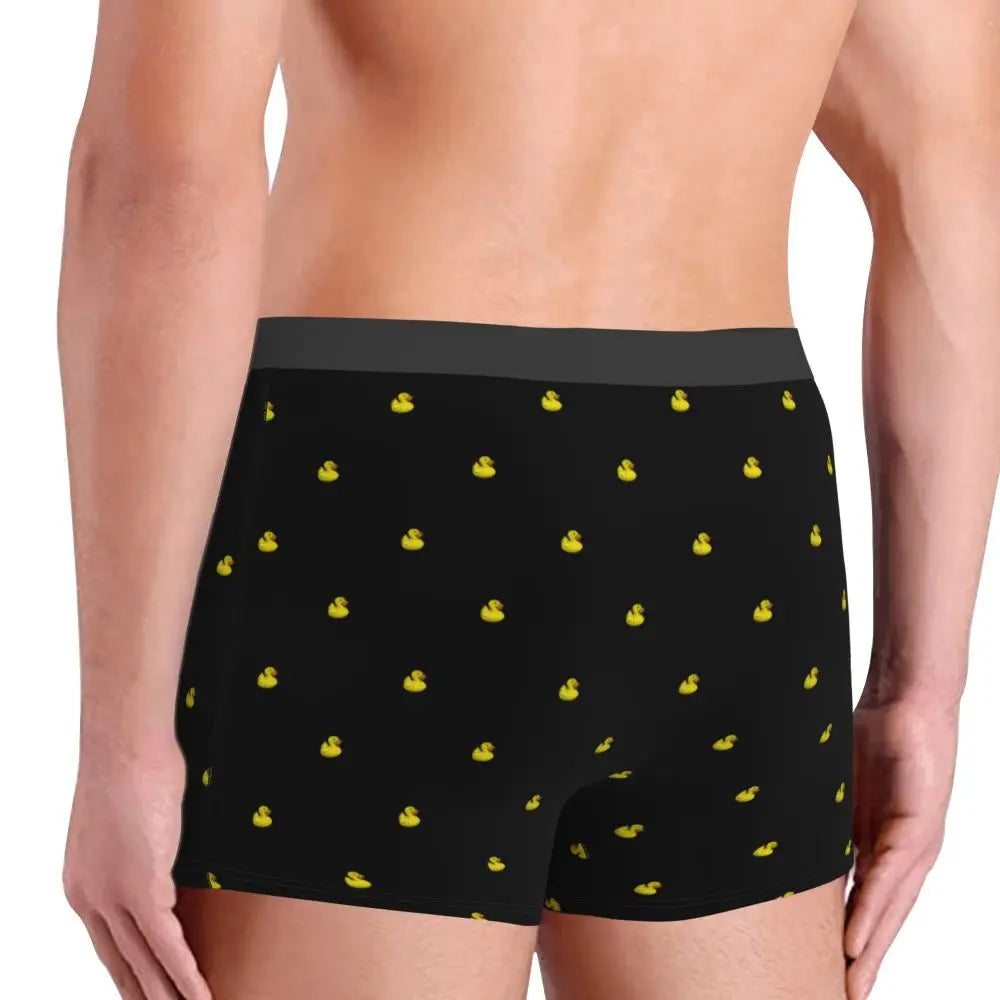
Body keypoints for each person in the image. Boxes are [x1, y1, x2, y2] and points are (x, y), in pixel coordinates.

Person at [58, 1, 999, 998]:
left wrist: (124, 739)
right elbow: (953, 182)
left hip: (391, 483)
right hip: (735, 505)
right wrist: (920, 689)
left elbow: (162, 179)